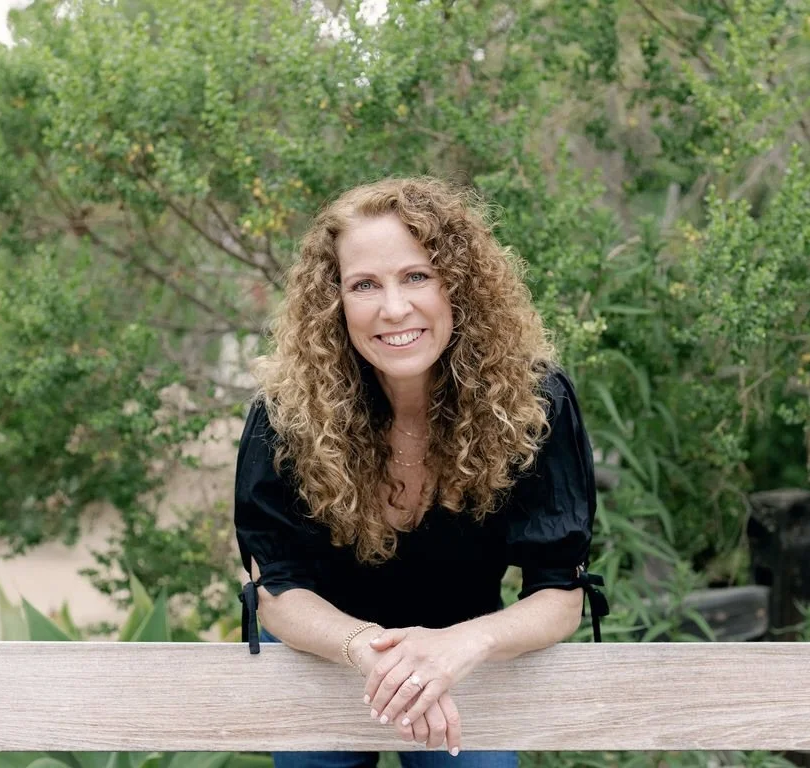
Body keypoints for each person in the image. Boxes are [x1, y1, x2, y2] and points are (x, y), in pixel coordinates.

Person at [233, 176, 605, 768]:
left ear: (457, 286)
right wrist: (372, 654)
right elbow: (277, 587)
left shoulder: (533, 403)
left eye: (416, 275)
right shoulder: (286, 413)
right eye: (364, 285)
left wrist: (460, 646)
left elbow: (558, 594)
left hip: (462, 647)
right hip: (323, 643)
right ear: (333, 302)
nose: (395, 308)